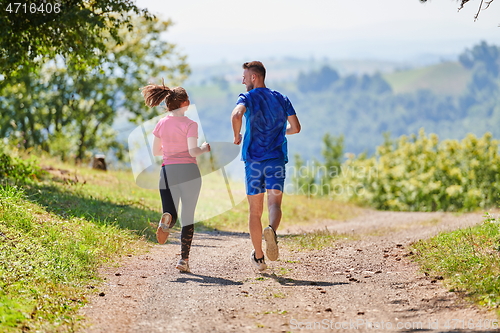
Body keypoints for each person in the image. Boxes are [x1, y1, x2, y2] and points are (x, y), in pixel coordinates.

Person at [231, 61, 301, 271]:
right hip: (277, 158)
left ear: (254, 77)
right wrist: (281, 132)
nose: (243, 80)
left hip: (253, 161)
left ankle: (259, 258)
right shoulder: (281, 98)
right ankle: (271, 229)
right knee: (275, 205)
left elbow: (236, 115)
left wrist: (236, 136)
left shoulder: (247, 97)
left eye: (245, 76)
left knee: (254, 211)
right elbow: (296, 128)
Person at [141, 81, 210, 273]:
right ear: (184, 103)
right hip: (189, 172)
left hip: (167, 172)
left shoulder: (161, 123)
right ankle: (183, 260)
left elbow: (156, 151)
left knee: (171, 211)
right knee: (188, 217)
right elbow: (193, 151)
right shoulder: (190, 124)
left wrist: (170, 149)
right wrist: (204, 148)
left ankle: (167, 220)